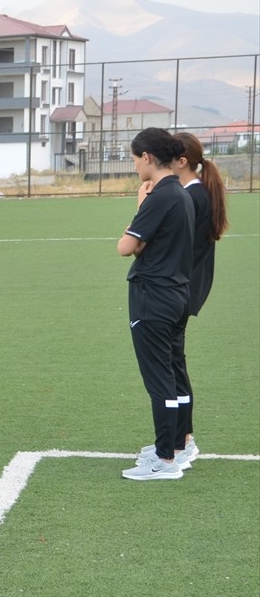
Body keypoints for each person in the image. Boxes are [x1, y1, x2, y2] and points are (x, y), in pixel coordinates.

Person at [118, 127, 194, 481]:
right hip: (176, 294)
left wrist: (139, 207)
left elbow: (126, 246)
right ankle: (176, 446)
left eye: (135, 159)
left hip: (154, 297)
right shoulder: (180, 193)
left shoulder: (160, 195)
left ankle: (164, 459)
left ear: (147, 157)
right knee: (174, 374)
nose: (135, 166)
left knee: (160, 379)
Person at [166, 132, 229, 461]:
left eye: (168, 158)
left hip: (181, 289)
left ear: (181, 162)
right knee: (175, 363)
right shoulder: (197, 193)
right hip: (188, 288)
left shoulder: (191, 197)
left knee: (174, 366)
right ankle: (182, 439)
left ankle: (182, 442)